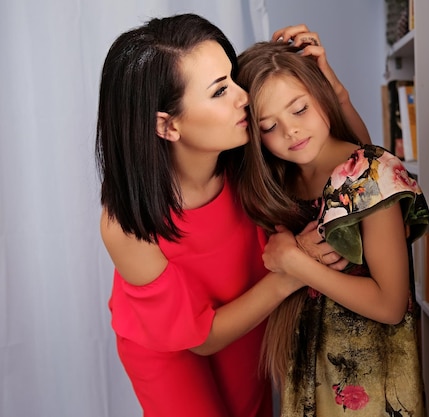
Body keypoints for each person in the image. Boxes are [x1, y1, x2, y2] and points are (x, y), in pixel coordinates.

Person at [95, 14, 369, 417]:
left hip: (246, 318)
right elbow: (200, 337)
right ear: (167, 125)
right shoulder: (125, 223)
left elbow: (358, 174)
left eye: (232, 79)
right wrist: (294, 269)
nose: (243, 97)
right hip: (169, 347)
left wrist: (336, 92)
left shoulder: (248, 151)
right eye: (220, 90)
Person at [236, 41, 429, 416]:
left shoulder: (371, 173)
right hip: (306, 372)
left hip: (372, 381)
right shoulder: (277, 185)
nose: (291, 131)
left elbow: (391, 306)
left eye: (299, 109)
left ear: (321, 94)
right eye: (269, 126)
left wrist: (297, 263)